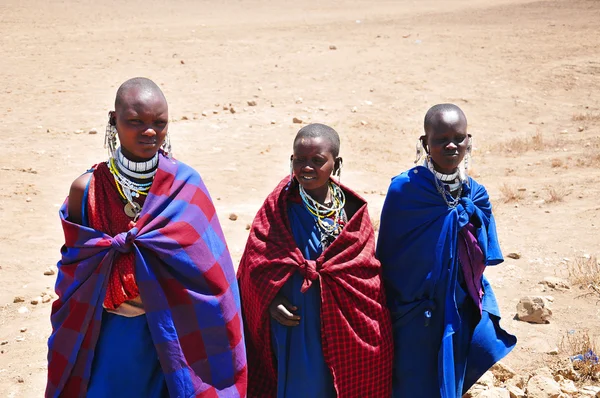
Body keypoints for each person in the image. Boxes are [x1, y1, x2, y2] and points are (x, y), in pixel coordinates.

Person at [46, 77, 247, 398]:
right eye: (135, 122)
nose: (149, 131)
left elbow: (212, 271)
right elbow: (77, 270)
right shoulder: (87, 190)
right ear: (114, 121)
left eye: (159, 122)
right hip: (112, 333)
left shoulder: (185, 185)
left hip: (176, 331)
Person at [237, 123, 392, 397]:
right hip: (295, 323)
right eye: (299, 160)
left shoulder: (353, 211)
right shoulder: (279, 206)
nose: (306, 168)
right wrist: (269, 300)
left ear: (336, 163)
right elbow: (255, 263)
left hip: (341, 320)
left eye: (317, 161)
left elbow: (365, 273)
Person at [377, 104, 517, 398]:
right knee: (410, 383)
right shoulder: (405, 189)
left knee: (449, 382)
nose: (451, 145)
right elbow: (389, 257)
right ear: (425, 142)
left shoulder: (475, 193)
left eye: (459, 137)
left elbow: (481, 253)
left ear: (469, 140)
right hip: (413, 311)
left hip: (458, 307)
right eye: (441, 139)